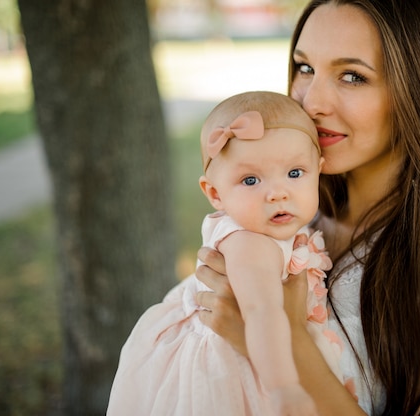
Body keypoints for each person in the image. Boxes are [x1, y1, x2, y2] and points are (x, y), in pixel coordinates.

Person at [195, 1, 420, 415]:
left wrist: (288, 342)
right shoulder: (288, 217)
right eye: (305, 68)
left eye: (352, 76)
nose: (312, 102)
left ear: (418, 92)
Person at [107, 91, 345, 416]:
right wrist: (284, 387)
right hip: (234, 370)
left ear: (318, 171)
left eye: (294, 173)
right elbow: (262, 310)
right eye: (250, 180)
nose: (277, 193)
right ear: (215, 194)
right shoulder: (250, 243)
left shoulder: (277, 228)